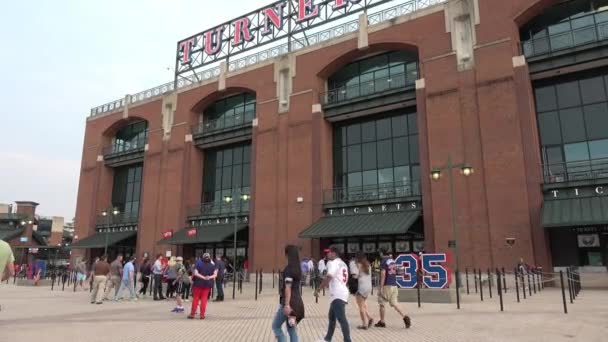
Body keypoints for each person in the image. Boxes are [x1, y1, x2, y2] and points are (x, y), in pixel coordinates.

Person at [314, 247, 351, 342]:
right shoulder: (343, 263)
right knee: (331, 316)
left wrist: (318, 289)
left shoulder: (332, 263)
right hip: (342, 291)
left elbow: (329, 277)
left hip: (337, 293)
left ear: (334, 253)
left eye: (329, 253)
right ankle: (327, 338)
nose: (327, 254)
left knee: (341, 319)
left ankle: (347, 340)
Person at [272, 245, 305, 342]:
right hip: (298, 302)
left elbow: (288, 287)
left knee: (276, 326)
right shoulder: (298, 269)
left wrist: (286, 305)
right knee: (291, 330)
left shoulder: (288, 269)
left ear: (287, 255)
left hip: (289, 304)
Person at [375, 248, 411, 329]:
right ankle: (405, 316)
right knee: (395, 303)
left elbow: (383, 274)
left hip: (387, 285)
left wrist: (380, 287)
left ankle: (382, 321)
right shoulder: (392, 260)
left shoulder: (383, 261)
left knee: (382, 303)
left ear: (381, 253)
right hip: (394, 284)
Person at [189, 253, 217, 319]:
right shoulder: (212, 265)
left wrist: (203, 277)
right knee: (204, 299)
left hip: (198, 284)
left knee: (196, 298)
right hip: (207, 285)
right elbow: (215, 275)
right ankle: (202, 315)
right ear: (209, 257)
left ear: (203, 257)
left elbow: (195, 273)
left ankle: (192, 314)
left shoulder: (198, 264)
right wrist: (208, 277)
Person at [354, 252, 374, 329]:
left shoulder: (359, 265)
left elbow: (355, 276)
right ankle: (369, 318)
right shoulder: (368, 265)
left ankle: (364, 324)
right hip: (369, 287)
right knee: (362, 304)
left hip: (361, 287)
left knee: (361, 307)